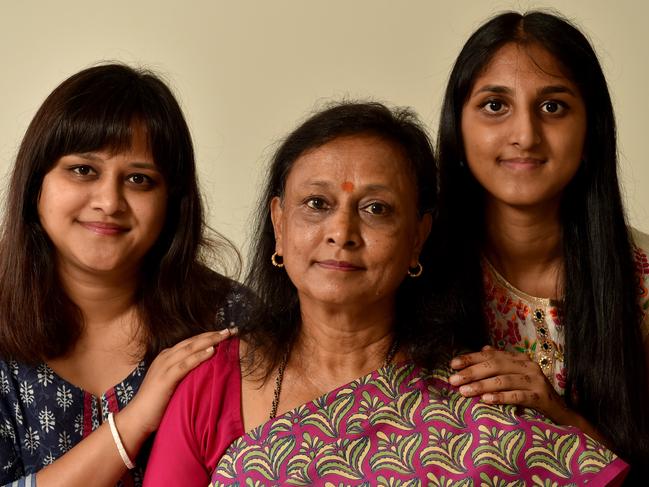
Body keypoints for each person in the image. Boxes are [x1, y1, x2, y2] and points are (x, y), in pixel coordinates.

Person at [144, 101, 627, 485]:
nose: (342, 231)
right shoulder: (211, 383)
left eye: (376, 208)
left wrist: (563, 418)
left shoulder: (476, 393)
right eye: (317, 203)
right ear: (279, 222)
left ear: (418, 236)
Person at [0, 64, 247, 486]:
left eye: (139, 179)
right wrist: (133, 423)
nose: (109, 202)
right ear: (35, 185)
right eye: (83, 170)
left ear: (173, 202)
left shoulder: (230, 319)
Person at [434, 10, 649, 479]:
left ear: (591, 129)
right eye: (495, 105)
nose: (525, 135)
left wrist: (558, 416)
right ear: (458, 125)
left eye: (553, 107)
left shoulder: (643, 282)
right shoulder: (413, 265)